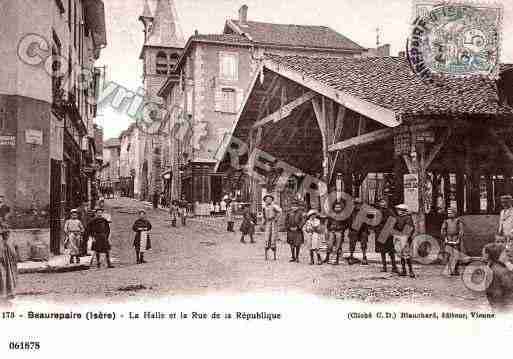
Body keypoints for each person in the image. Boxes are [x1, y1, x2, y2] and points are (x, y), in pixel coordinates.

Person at [483, 243, 513, 313]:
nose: (507, 255)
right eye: (505, 253)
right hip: (505, 305)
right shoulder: (502, 271)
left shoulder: (492, 266)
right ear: (498, 256)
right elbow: (510, 286)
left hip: (495, 303)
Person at [374, 199, 399, 273]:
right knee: (382, 251)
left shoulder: (390, 211)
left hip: (388, 233)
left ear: (386, 203)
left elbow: (394, 220)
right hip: (380, 232)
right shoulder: (377, 212)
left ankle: (394, 267)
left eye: (384, 202)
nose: (382, 203)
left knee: (391, 250)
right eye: (381, 202)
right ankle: (384, 266)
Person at [393, 204, 416, 278]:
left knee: (407, 255)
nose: (398, 211)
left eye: (400, 210)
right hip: (398, 238)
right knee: (401, 255)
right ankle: (404, 270)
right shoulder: (396, 218)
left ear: (404, 211)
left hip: (405, 238)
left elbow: (411, 228)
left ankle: (411, 271)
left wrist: (406, 236)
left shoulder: (408, 218)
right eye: (398, 210)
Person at [326, 200, 350, 265]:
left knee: (338, 245)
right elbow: (328, 224)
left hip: (339, 231)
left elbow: (347, 224)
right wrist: (330, 229)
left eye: (339, 207)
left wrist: (342, 229)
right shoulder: (331, 215)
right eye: (336, 207)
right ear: (334, 208)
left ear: (341, 208)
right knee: (330, 244)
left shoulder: (344, 215)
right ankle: (327, 257)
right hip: (332, 231)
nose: (337, 208)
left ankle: (336, 259)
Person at [441, 207, 464, 276]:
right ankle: (449, 269)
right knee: (448, 254)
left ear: (454, 213)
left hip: (455, 238)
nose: (449, 214)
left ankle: (455, 269)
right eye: (448, 213)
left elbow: (461, 230)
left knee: (456, 254)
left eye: (451, 213)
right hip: (448, 238)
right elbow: (443, 229)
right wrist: (445, 237)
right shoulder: (446, 221)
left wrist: (458, 238)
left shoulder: (458, 221)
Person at [347, 198, 370, 265]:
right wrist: (350, 228)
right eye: (356, 203)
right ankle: (351, 256)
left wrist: (366, 229)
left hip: (363, 229)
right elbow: (348, 221)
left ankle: (364, 257)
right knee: (352, 243)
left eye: (359, 203)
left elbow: (369, 221)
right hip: (353, 229)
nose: (357, 205)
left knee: (364, 243)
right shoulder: (350, 212)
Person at [0, 222, 17, 303]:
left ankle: (7, 292)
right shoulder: (4, 243)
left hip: (6, 260)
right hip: (4, 260)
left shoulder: (6, 243)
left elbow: (13, 252)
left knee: (6, 275)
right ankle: (6, 293)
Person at [262, 194, 282, 261]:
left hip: (273, 223)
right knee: (267, 238)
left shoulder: (274, 206)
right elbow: (264, 216)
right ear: (265, 200)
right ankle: (266, 256)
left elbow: (280, 211)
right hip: (268, 223)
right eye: (267, 199)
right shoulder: (264, 207)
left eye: (269, 199)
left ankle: (274, 256)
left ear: (271, 200)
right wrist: (263, 223)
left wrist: (276, 218)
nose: (268, 200)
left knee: (273, 237)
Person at [498, 195, 513, 263]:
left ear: (510, 202)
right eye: (503, 202)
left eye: (506, 202)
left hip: (511, 235)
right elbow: (501, 222)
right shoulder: (502, 212)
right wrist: (499, 231)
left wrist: (511, 233)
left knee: (510, 251)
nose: (504, 204)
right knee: (504, 251)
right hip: (504, 235)